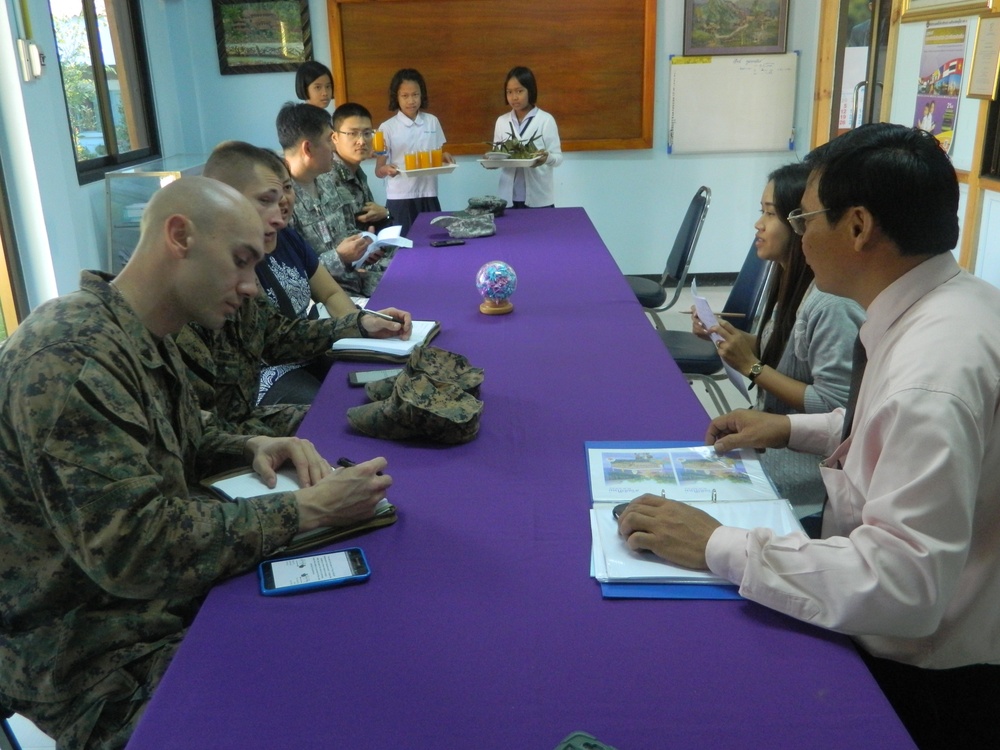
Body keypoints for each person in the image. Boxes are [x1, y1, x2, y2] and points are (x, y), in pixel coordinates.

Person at [617, 123, 1000, 749]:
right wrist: (793, 427)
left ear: (856, 227)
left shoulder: (932, 374)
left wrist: (719, 544)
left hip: (929, 677)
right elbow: (885, 435)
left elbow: (906, 583)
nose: (797, 232)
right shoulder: (956, 303)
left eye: (804, 216)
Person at [0, 177, 393, 749]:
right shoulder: (71, 360)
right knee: (316, 707)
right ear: (180, 236)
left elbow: (174, 444)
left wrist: (247, 445)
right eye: (241, 261)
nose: (253, 288)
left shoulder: (144, 334)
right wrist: (303, 511)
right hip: (90, 650)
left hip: (147, 605)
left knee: (350, 639)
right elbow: (133, 549)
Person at [176, 141, 411, 429]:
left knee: (388, 387)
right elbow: (206, 428)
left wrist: (361, 324)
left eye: (287, 190)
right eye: (266, 200)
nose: (281, 211)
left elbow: (278, 333)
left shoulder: (277, 237)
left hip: (292, 361)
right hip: (266, 380)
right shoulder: (196, 287)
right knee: (344, 419)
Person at [693, 162, 863, 518]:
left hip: (806, 461)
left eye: (770, 213)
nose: (758, 224)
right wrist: (734, 338)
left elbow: (834, 408)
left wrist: (751, 366)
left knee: (705, 495)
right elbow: (786, 352)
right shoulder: (787, 277)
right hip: (773, 434)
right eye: (761, 211)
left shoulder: (831, 303)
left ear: (802, 223)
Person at [287, 102, 392, 297]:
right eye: (329, 140)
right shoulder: (283, 200)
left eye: (367, 133)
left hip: (355, 281)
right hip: (327, 297)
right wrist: (340, 256)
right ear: (308, 149)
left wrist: (364, 242)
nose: (332, 147)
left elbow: (344, 231)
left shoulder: (324, 183)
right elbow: (292, 274)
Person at [374, 68, 453, 234]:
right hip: (400, 198)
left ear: (421, 95)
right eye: (405, 95)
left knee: (433, 241)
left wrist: (444, 157)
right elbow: (378, 170)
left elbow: (436, 157)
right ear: (396, 97)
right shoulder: (387, 127)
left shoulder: (432, 121)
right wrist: (386, 170)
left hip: (429, 193)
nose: (411, 100)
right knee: (403, 246)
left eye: (415, 94)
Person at [492, 66, 563, 209]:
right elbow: (498, 156)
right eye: (509, 92)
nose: (514, 97)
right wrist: (491, 161)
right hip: (508, 198)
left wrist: (546, 157)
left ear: (530, 91)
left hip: (539, 198)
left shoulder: (545, 120)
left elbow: (558, 158)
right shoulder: (502, 121)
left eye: (519, 91)